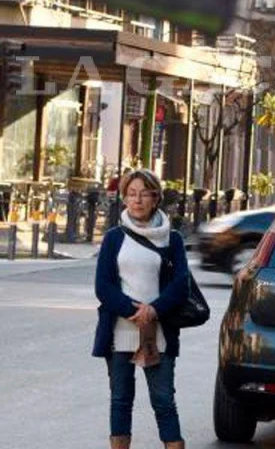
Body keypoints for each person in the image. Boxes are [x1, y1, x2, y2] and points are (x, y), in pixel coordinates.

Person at [93, 169, 190, 449]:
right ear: (124, 198)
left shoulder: (172, 240)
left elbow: (180, 284)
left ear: (155, 198)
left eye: (144, 193)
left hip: (158, 333)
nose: (137, 200)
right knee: (120, 400)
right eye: (131, 193)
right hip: (120, 331)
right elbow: (103, 285)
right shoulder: (114, 237)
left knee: (163, 401)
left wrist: (154, 310)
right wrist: (131, 310)